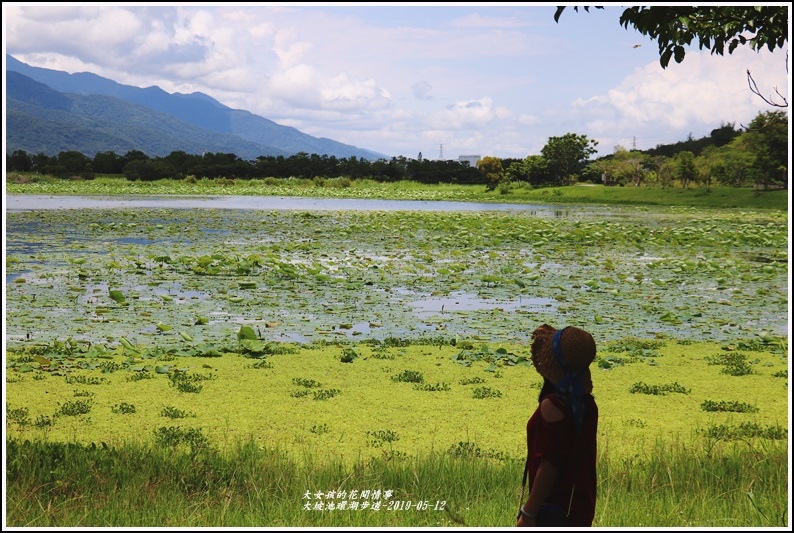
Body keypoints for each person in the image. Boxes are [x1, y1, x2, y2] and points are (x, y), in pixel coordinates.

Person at [516, 324, 599, 527]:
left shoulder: (553, 405)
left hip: (552, 510)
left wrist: (528, 513)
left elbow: (550, 464)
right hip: (580, 507)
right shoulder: (588, 404)